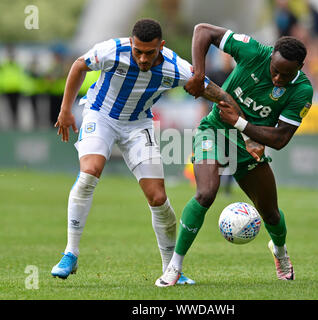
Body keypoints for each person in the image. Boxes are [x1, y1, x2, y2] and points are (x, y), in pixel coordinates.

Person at [51, 19, 261, 284]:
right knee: (90, 172)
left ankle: (171, 269)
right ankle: (70, 253)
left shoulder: (176, 67)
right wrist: (66, 109)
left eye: (149, 52)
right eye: (137, 51)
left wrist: (249, 134)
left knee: (158, 198)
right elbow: (80, 64)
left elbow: (221, 96)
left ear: (161, 47)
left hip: (139, 125)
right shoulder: (112, 51)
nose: (142, 58)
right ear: (131, 43)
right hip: (100, 115)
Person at [155, 23, 313, 286]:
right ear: (270, 55)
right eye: (275, 71)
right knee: (205, 193)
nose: (277, 79)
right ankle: (174, 266)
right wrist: (199, 75)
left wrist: (241, 125)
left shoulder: (302, 91)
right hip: (214, 130)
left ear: (299, 68)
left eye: (286, 76)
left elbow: (281, 138)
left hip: (249, 145)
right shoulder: (253, 51)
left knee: (271, 214)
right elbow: (202, 30)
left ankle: (280, 252)